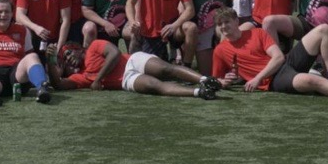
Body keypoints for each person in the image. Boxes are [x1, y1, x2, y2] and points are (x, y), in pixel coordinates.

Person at [212, 8, 328, 100]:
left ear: (236, 21)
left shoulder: (257, 33)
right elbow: (216, 79)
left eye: (227, 22)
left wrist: (256, 78)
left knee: (323, 29)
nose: (224, 27)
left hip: (284, 64)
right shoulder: (220, 50)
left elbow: (278, 57)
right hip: (274, 81)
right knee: (310, 80)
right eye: (220, 24)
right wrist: (224, 82)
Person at [51, 40, 220, 99]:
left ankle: (205, 79)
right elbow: (58, 84)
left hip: (131, 60)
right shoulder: (81, 76)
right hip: (125, 80)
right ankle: (199, 92)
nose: (68, 58)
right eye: (65, 59)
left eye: (69, 53)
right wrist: (50, 59)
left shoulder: (94, 46)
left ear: (78, 48)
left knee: (166, 69)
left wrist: (98, 79)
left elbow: (115, 53)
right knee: (154, 86)